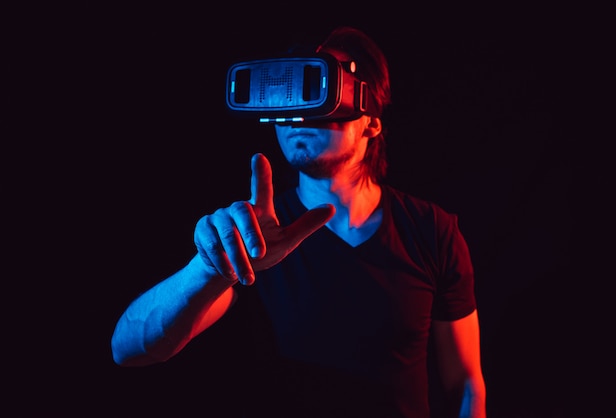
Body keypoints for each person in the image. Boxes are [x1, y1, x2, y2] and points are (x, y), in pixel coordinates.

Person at [111, 26, 487, 418]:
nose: (300, 114)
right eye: (289, 90)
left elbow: (466, 386)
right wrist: (208, 268)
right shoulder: (258, 237)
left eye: (321, 90)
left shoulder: (433, 231)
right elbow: (129, 350)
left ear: (371, 122)